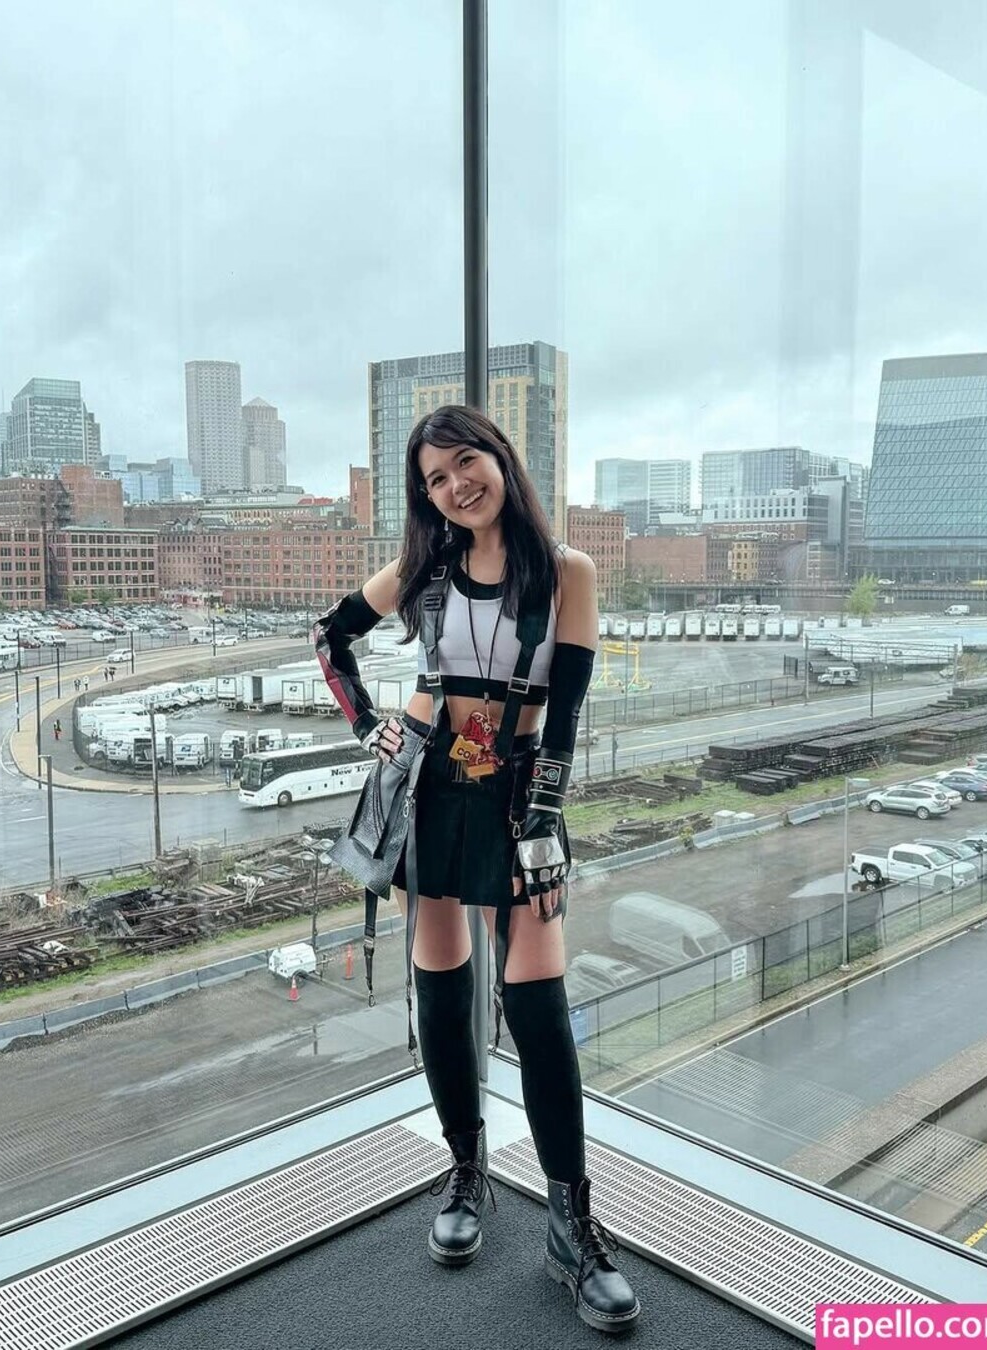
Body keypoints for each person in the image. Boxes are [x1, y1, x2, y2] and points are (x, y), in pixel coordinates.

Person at [314, 405, 639, 1333]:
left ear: (500, 458)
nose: (456, 485)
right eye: (436, 478)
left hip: (519, 795)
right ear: (427, 495)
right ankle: (466, 1171)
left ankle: (571, 1225)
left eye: (467, 462)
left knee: (537, 1001)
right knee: (441, 983)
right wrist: (367, 726)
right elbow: (330, 639)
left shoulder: (566, 572)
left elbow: (564, 715)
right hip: (424, 785)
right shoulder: (424, 569)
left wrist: (542, 821)